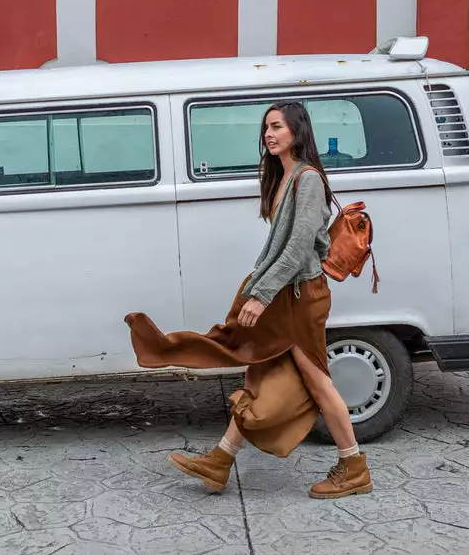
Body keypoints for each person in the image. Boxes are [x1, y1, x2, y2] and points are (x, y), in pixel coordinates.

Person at [125, 101, 373, 500]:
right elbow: (276, 247)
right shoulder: (284, 177)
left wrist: (260, 294)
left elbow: (297, 248)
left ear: (297, 131)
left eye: (277, 127)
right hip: (285, 296)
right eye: (266, 129)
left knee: (318, 382)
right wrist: (257, 288)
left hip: (302, 298)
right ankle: (221, 460)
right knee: (260, 374)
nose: (269, 135)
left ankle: (354, 466)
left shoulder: (307, 180)